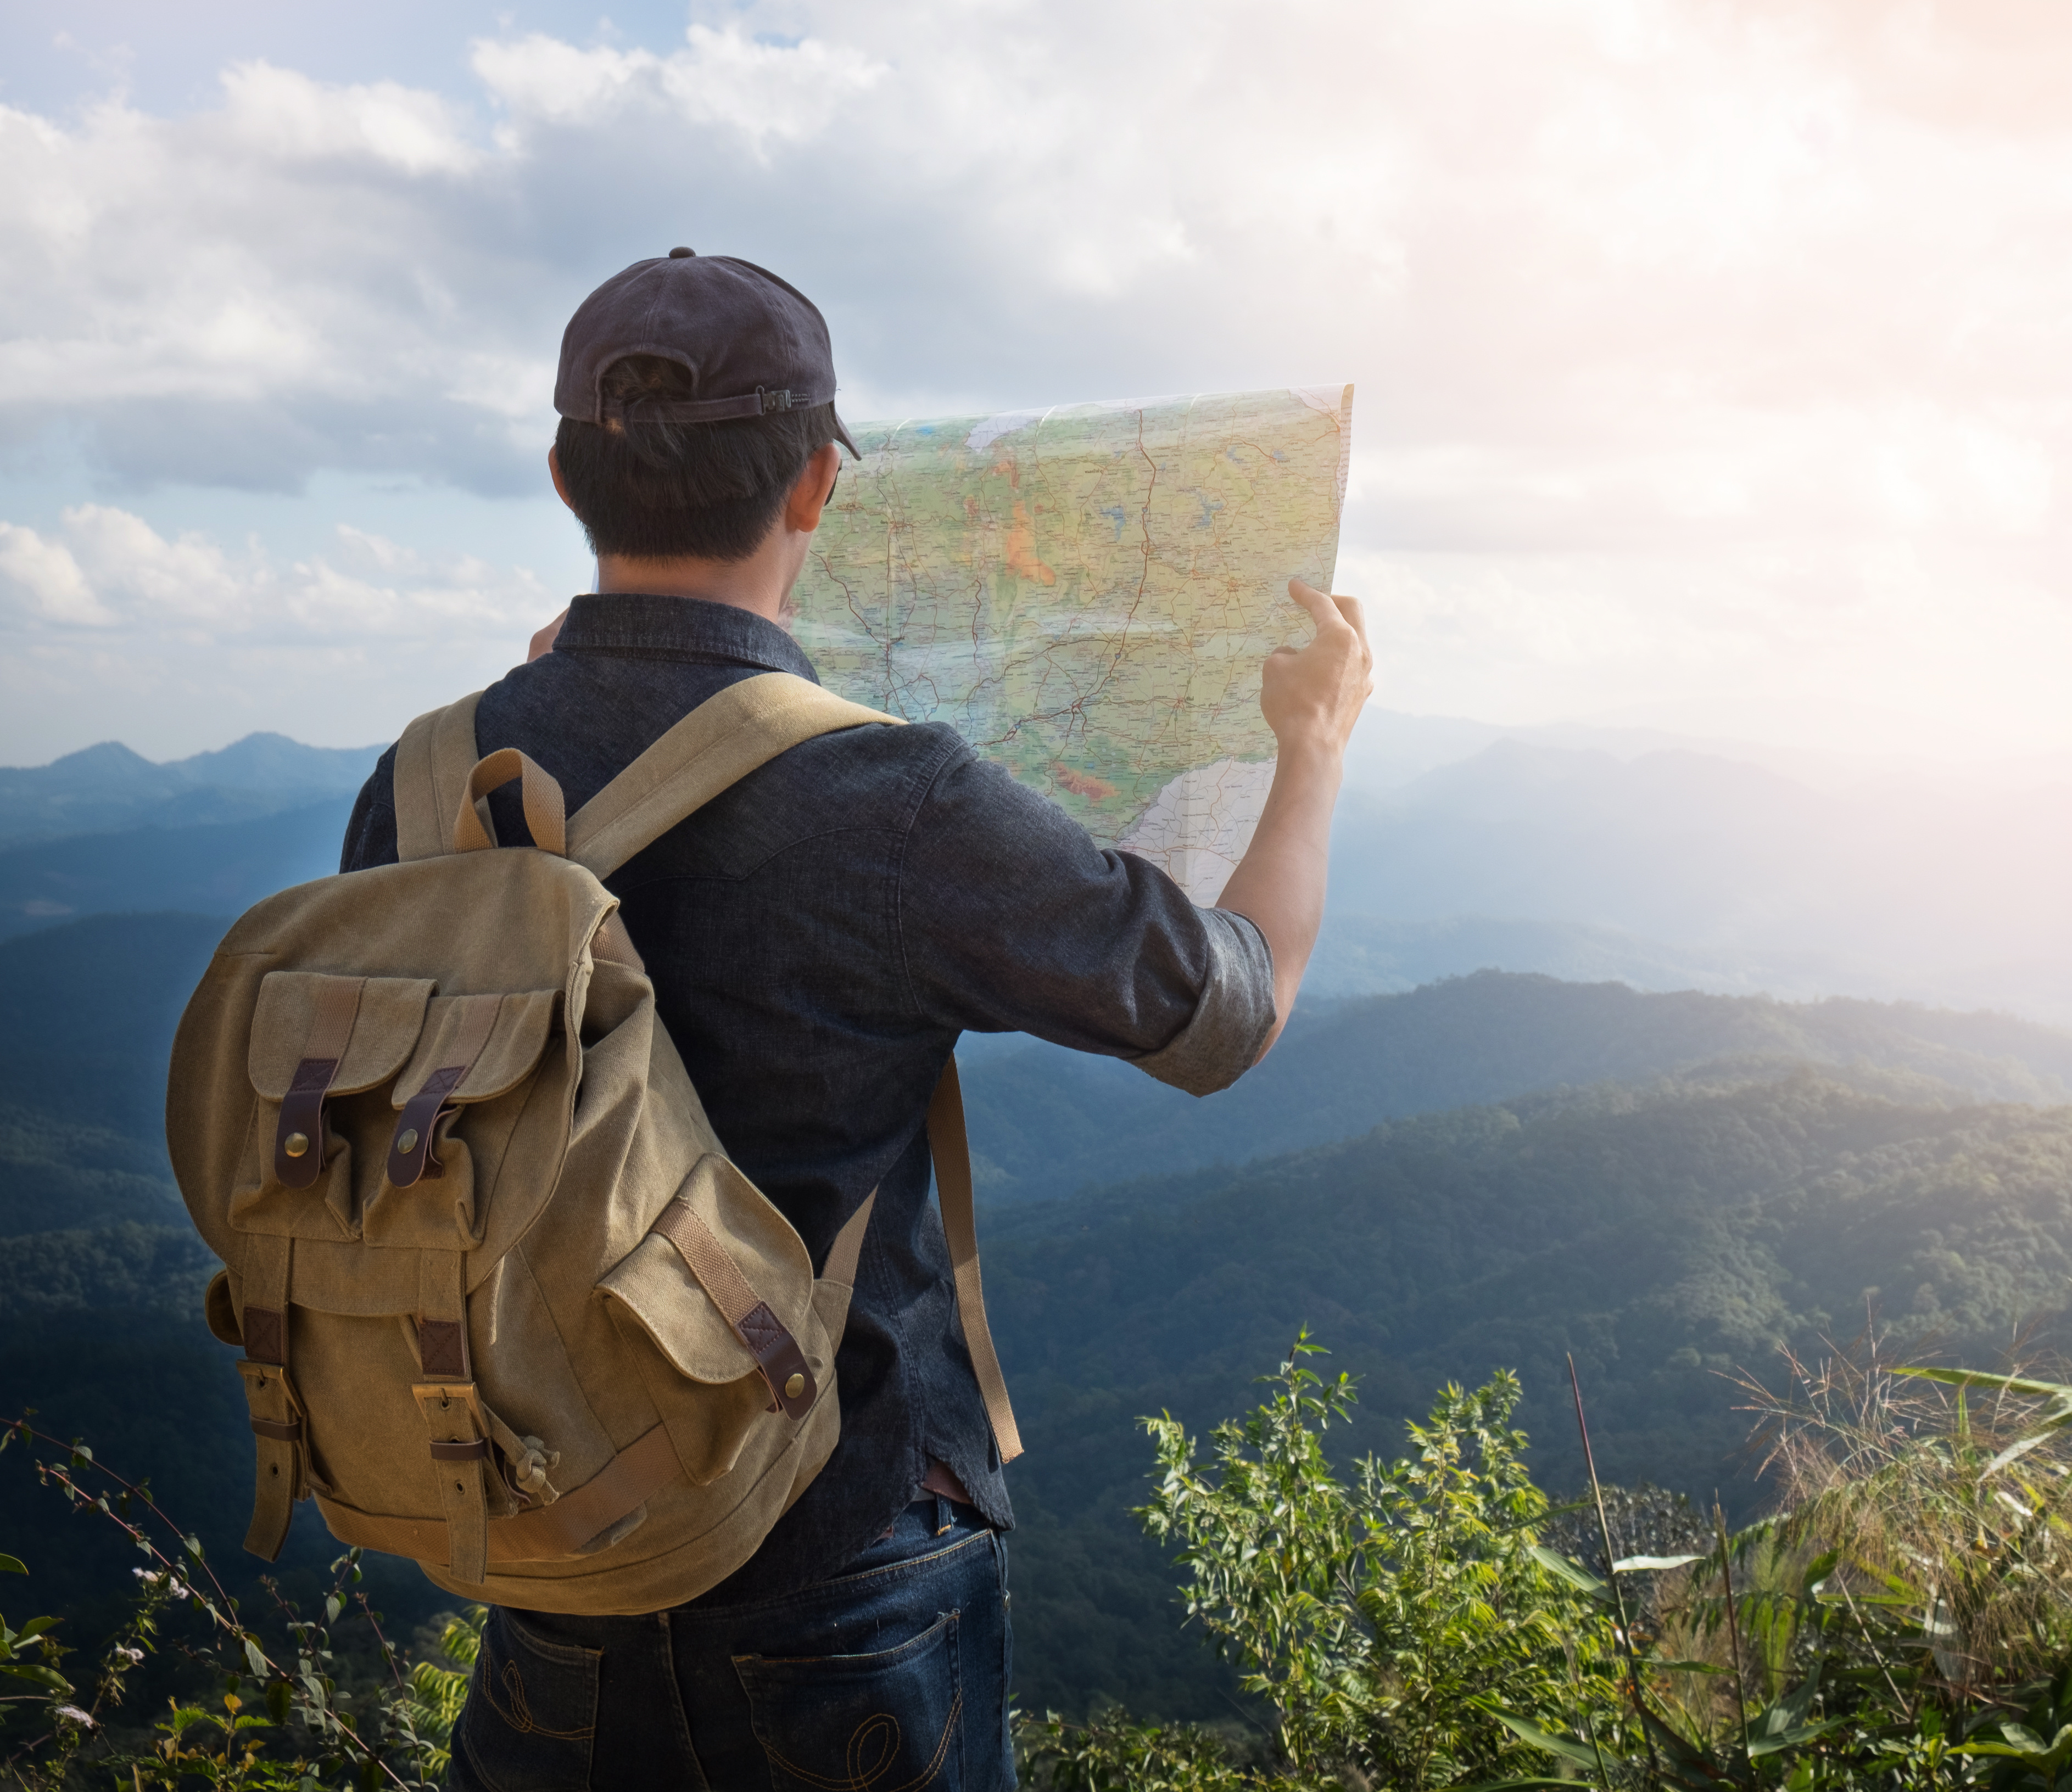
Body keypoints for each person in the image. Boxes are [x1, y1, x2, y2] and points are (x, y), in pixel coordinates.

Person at [337, 249, 1372, 1791]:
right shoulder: (896, 798)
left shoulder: (426, 784)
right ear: (823, 484)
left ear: (563, 476)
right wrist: (1314, 751)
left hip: (552, 1539)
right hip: (841, 1559)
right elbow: (1230, 1014)